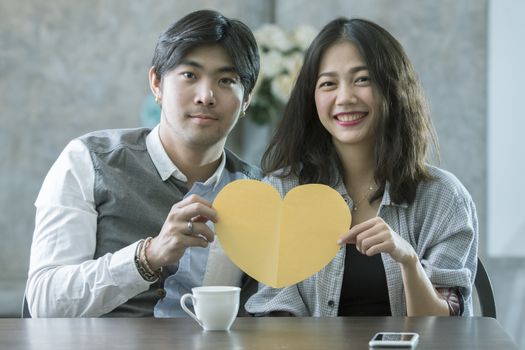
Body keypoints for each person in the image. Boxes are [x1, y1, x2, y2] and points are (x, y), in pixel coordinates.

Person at [25, 9, 261, 317]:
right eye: (190, 75)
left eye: (226, 80)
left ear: (246, 100)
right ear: (157, 84)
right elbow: (44, 300)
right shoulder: (88, 160)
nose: (206, 95)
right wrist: (147, 257)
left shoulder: (258, 191)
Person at [245, 17, 478, 317]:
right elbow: (276, 313)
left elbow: (445, 331)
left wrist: (407, 259)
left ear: (393, 89)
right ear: (311, 97)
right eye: (328, 83)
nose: (345, 98)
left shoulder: (444, 199)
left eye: (362, 79)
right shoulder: (281, 193)